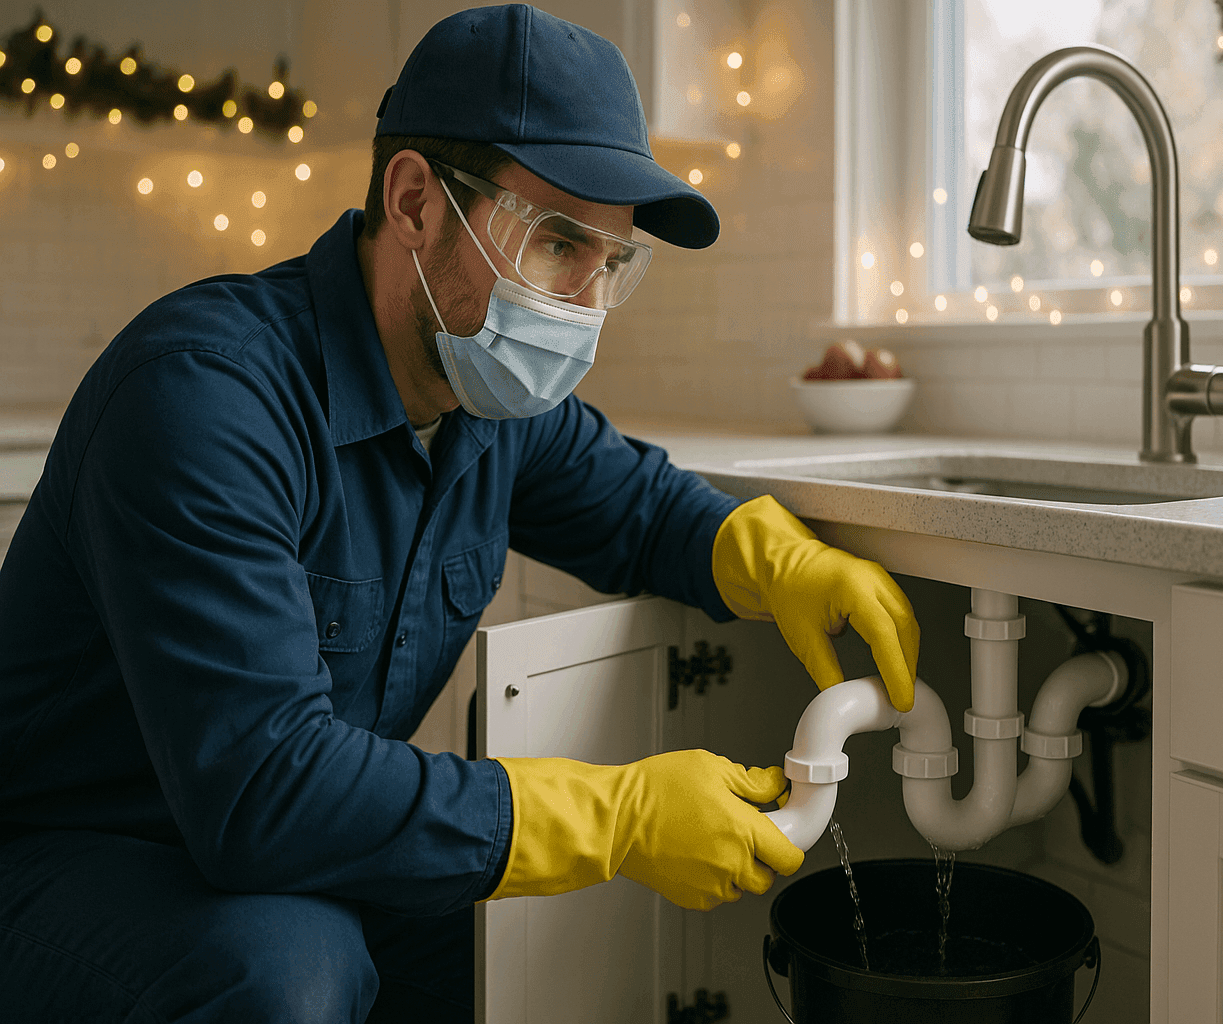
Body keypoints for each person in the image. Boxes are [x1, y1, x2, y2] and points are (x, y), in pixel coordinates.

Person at [0, 5, 920, 1022]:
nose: (585, 304)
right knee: (289, 973)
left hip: (284, 841)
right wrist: (612, 817)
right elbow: (264, 787)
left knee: (517, 948)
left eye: (614, 264)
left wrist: (783, 560)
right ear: (414, 204)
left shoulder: (480, 397)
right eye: (559, 243)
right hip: (69, 854)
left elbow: (645, 511)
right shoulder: (206, 395)